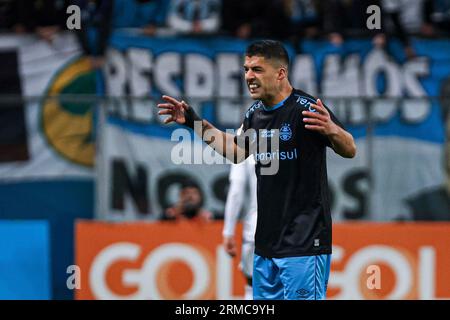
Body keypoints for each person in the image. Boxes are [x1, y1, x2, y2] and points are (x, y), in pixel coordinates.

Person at [157, 40, 356, 300]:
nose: (249, 76)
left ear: (280, 73)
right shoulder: (255, 115)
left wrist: (333, 130)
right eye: (246, 69)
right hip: (265, 245)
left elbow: (349, 148)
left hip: (305, 244)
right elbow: (235, 152)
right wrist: (193, 123)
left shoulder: (306, 109)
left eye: (257, 70)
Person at [222, 150, 257, 300]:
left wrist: (228, 232)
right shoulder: (294, 129)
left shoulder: (246, 132)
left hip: (257, 228)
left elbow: (236, 191)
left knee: (253, 287)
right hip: (293, 228)